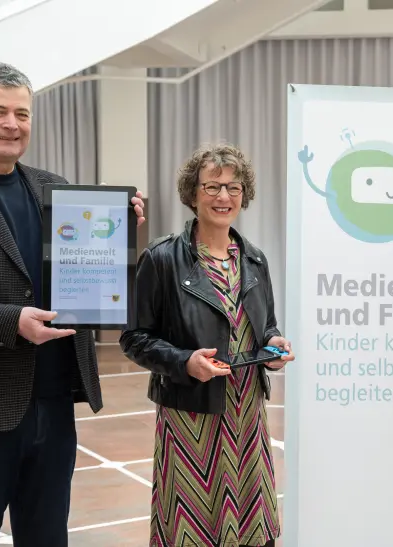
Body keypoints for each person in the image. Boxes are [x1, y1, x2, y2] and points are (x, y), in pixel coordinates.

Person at [0, 61, 146, 546]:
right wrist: (12, 322)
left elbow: (78, 266)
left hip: (53, 400)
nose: (12, 124)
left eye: (22, 114)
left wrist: (116, 232)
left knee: (48, 536)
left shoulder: (54, 186)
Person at [120, 142, 294, 547]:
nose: (223, 197)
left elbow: (264, 326)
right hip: (191, 418)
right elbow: (133, 338)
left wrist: (273, 346)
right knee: (190, 529)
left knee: (251, 529)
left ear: (244, 195)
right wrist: (184, 362)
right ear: (192, 193)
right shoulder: (162, 258)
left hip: (246, 415)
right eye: (212, 186)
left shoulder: (254, 260)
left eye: (233, 188)